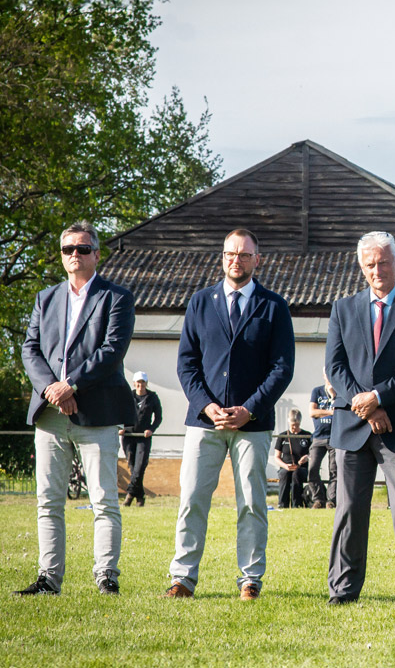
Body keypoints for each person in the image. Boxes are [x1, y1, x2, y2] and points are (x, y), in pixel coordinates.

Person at [164, 229, 295, 601]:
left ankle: (250, 580)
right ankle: (182, 579)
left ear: (257, 260)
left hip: (252, 424)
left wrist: (249, 409)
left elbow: (282, 368)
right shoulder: (200, 302)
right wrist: (206, 405)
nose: (236, 260)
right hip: (204, 421)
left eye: (244, 254)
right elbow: (187, 364)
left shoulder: (274, 306)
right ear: (222, 258)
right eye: (230, 254)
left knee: (252, 503)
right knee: (192, 499)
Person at [17, 221, 136, 596]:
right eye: (68, 249)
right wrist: (52, 389)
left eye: (83, 249)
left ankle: (106, 576)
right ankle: (48, 579)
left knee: (104, 500)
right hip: (50, 414)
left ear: (96, 255)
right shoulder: (45, 298)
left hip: (97, 413)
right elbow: (30, 349)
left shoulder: (117, 298)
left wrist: (70, 384)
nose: (75, 255)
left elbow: (111, 351)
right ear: (61, 255)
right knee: (48, 501)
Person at [324, 231, 395, 607]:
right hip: (352, 425)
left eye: (384, 262)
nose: (378, 270)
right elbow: (334, 365)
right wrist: (366, 405)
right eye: (370, 264)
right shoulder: (342, 309)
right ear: (362, 267)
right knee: (348, 511)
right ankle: (342, 590)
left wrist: (377, 397)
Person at [120, 370, 162, 507]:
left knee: (139, 467)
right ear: (134, 383)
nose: (140, 385)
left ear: (146, 383)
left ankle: (129, 495)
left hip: (143, 437)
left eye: (143, 382)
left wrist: (151, 429)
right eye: (138, 382)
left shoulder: (152, 397)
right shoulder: (128, 396)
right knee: (133, 466)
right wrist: (120, 427)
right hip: (128, 436)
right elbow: (119, 411)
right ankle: (140, 496)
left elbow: (158, 417)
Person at [308, 375, 338, 508]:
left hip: (335, 437)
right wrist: (330, 413)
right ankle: (318, 499)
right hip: (318, 437)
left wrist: (333, 395)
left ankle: (331, 500)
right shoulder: (317, 391)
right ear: (323, 376)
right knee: (312, 469)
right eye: (326, 374)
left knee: (334, 470)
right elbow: (312, 412)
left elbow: (340, 412)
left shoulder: (340, 391)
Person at [274, 409, 311, 509]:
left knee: (296, 474)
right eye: (292, 425)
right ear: (288, 422)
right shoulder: (282, 436)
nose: (294, 428)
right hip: (286, 467)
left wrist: (307, 457)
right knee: (284, 474)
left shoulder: (307, 435)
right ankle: (282, 504)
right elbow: (277, 457)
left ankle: (297, 504)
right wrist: (285, 466)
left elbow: (313, 453)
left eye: (297, 425)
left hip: (301, 468)